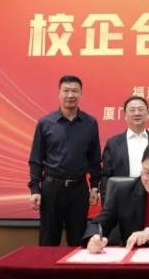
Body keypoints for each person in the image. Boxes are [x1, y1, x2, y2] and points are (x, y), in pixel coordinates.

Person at [28, 75, 101, 246]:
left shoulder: (90, 123)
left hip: (78, 190)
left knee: (78, 241)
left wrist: (95, 186)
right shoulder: (45, 123)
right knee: (48, 241)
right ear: (59, 93)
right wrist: (35, 189)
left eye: (75, 91)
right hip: (51, 189)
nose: (70, 95)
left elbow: (95, 159)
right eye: (66, 91)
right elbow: (36, 159)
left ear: (81, 94)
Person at [100, 95, 149, 204]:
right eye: (132, 110)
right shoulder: (113, 143)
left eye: (141, 109)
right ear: (125, 115)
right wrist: (106, 203)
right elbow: (106, 176)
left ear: (148, 114)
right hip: (122, 198)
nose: (137, 113)